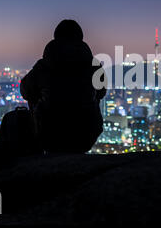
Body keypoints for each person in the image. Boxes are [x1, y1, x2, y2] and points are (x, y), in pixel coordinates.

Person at [21, 19, 106, 153]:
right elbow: (101, 93)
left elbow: (25, 91)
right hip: (85, 135)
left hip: (49, 135)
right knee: (96, 96)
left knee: (32, 94)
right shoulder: (94, 66)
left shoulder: (43, 66)